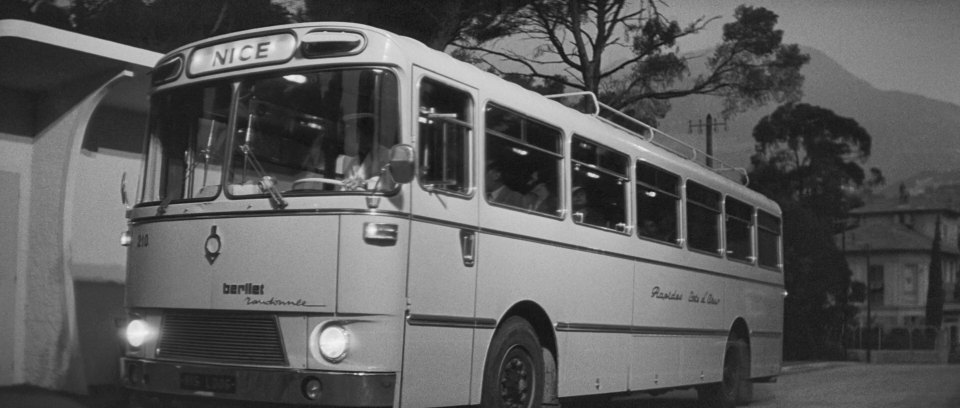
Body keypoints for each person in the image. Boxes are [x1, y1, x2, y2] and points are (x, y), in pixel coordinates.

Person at [340, 113, 390, 191]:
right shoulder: (354, 161)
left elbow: (385, 184)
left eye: (359, 131)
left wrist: (363, 184)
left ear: (370, 133)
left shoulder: (385, 155)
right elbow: (345, 188)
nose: (356, 136)